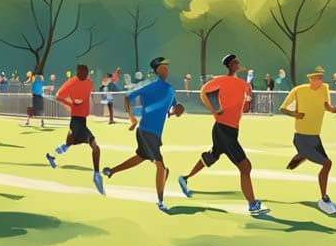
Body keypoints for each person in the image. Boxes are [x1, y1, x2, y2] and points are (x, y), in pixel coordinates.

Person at [178, 53, 268, 216]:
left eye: (237, 62)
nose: (237, 64)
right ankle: (253, 205)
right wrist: (213, 109)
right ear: (229, 66)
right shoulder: (222, 80)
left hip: (230, 130)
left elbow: (246, 109)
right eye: (234, 62)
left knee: (212, 156)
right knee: (245, 167)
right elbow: (203, 91)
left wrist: (248, 98)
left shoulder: (244, 85)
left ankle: (185, 178)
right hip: (223, 129)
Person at [104, 57, 185, 212]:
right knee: (161, 167)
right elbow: (128, 97)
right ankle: (161, 201)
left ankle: (111, 171)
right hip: (146, 130)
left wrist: (176, 112)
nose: (166, 70)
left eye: (167, 67)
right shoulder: (150, 86)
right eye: (163, 67)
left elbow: (172, 110)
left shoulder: (170, 89)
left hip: (156, 133)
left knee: (140, 157)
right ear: (156, 70)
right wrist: (132, 118)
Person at [280, 66, 336, 215]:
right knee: (327, 163)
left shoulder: (324, 88)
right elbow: (282, 108)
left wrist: (332, 108)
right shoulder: (299, 90)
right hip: (301, 138)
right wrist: (295, 114)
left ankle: (301, 155)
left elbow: (326, 105)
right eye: (316, 78)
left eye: (321, 77)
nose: (319, 81)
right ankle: (324, 198)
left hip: (316, 137)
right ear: (310, 79)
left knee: (323, 162)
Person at [45, 64, 102, 194]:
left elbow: (88, 94)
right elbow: (58, 96)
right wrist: (71, 104)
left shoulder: (89, 83)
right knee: (95, 146)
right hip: (76, 121)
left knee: (68, 144)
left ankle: (52, 156)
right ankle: (97, 175)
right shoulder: (71, 83)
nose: (84, 74)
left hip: (81, 120)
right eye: (82, 72)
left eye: (86, 72)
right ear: (77, 72)